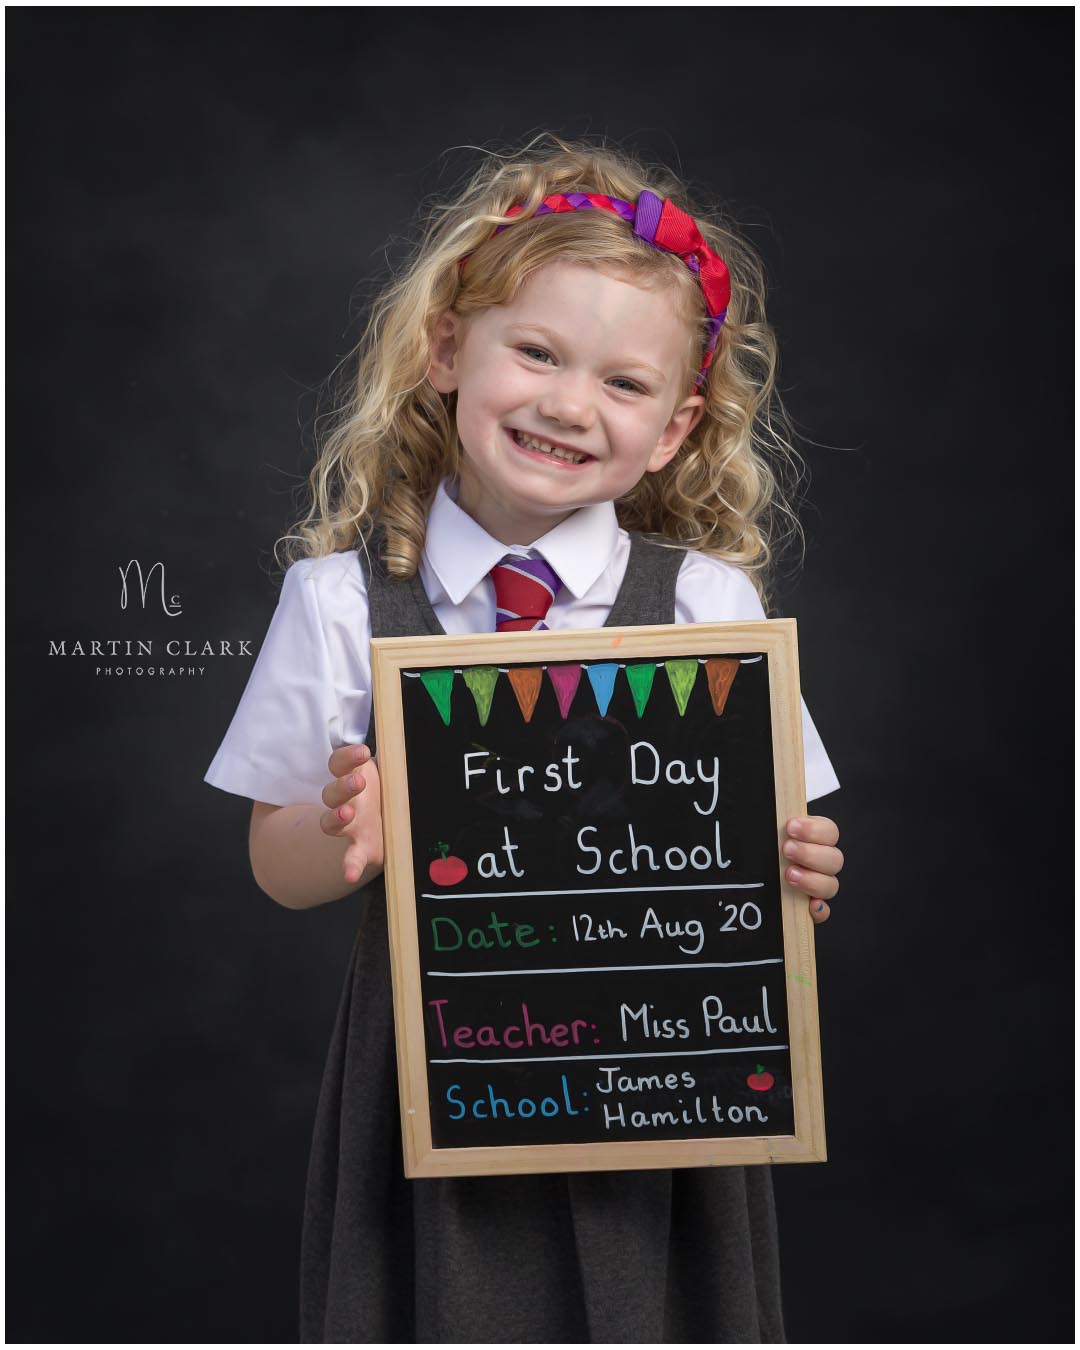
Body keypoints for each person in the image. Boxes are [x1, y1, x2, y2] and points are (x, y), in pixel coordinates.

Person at [205, 133, 844, 1344]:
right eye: (537, 353)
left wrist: (800, 872)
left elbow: (779, 854)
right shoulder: (340, 602)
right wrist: (349, 827)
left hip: (666, 1091)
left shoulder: (710, 605)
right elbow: (273, 861)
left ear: (672, 427)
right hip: (436, 1085)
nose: (567, 404)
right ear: (448, 351)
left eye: (622, 382)